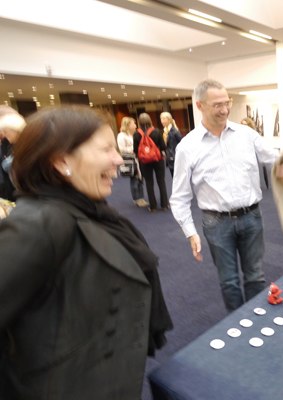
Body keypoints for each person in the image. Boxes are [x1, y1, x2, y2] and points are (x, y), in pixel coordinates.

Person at [0, 106, 172, 399]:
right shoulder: (38, 225)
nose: (118, 159)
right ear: (60, 161)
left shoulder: (94, 211)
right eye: (106, 149)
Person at [170, 79, 283, 311]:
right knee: (229, 282)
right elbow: (179, 197)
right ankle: (239, 326)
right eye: (217, 105)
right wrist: (190, 232)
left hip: (252, 217)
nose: (225, 109)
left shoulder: (246, 134)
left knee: (255, 277)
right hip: (216, 223)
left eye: (226, 103)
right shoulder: (187, 147)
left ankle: (258, 319)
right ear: (200, 106)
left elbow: (272, 158)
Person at [134, 112, 169, 212]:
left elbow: (136, 150)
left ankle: (153, 206)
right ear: (150, 120)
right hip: (158, 160)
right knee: (161, 181)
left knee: (149, 183)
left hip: (144, 162)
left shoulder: (137, 134)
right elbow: (163, 146)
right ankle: (164, 204)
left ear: (139, 122)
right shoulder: (157, 131)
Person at [117, 116, 148, 207]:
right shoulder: (121, 135)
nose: (135, 125)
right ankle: (137, 199)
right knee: (134, 179)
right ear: (127, 125)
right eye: (133, 123)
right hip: (130, 160)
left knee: (140, 179)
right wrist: (135, 148)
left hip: (139, 159)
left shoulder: (134, 134)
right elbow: (122, 149)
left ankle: (141, 198)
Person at [0, 106, 26, 201]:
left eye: (5, 131)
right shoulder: (6, 145)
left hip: (24, 197)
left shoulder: (29, 146)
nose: (3, 134)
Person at [160, 111, 182, 177]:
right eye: (161, 119)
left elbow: (182, 142)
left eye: (164, 119)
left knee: (178, 177)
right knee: (173, 177)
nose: (162, 121)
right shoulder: (164, 131)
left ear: (169, 119)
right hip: (169, 157)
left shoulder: (174, 131)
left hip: (175, 157)